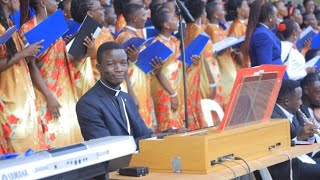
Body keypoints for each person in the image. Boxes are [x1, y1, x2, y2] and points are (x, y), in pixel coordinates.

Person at [19, 0, 82, 148]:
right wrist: (48, 95)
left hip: (64, 87)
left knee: (70, 134)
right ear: (42, 2)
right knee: (53, 136)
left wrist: (72, 41)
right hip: (45, 91)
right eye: (54, 0)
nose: (57, 2)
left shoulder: (56, 24)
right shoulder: (27, 28)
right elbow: (31, 65)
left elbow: (56, 55)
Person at [76, 42, 153, 144]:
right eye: (111, 64)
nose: (119, 69)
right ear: (99, 68)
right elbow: (107, 146)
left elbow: (145, 134)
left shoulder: (127, 99)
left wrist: (167, 134)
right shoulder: (88, 104)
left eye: (123, 63)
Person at [0, 0, 45, 153]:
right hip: (9, 101)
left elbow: (17, 59)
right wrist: (23, 53)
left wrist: (28, 54)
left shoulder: (9, 24)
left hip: (23, 99)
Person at [265, 79, 320, 180]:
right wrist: (300, 137)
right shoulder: (273, 118)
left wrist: (310, 136)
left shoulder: (292, 111)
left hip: (301, 157)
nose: (301, 103)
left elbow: (305, 145)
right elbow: (278, 150)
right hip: (288, 167)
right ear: (287, 101)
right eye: (299, 99)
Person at [116, 3, 155, 128]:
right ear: (134, 18)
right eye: (143, 15)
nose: (146, 18)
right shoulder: (126, 36)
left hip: (141, 81)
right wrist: (131, 92)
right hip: (133, 83)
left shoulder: (136, 35)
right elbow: (122, 66)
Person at [184, 0, 223, 127]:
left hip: (195, 72)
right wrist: (212, 82)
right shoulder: (198, 32)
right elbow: (203, 60)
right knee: (208, 106)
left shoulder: (188, 29)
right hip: (204, 74)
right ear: (201, 14)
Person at [71, 0, 114, 97]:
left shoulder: (104, 32)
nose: (103, 11)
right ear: (90, 13)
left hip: (106, 86)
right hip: (87, 88)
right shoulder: (80, 35)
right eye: (100, 8)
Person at [205, 1, 237, 108]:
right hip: (222, 68)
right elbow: (215, 50)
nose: (225, 12)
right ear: (215, 14)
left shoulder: (218, 28)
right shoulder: (211, 30)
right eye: (222, 10)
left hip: (227, 64)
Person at [249, 3, 284, 68]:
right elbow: (266, 67)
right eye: (276, 16)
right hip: (274, 76)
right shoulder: (261, 35)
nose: (277, 19)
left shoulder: (264, 31)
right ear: (270, 17)